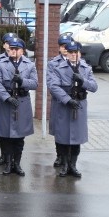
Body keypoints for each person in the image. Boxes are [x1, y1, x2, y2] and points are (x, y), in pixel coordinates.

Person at [0, 35, 38, 176]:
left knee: (19, 137)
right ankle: (8, 163)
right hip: (6, 103)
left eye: (17, 49)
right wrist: (6, 97)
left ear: (22, 51)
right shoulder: (0, 64)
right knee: (5, 135)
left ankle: (17, 163)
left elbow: (35, 83)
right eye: (11, 49)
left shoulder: (29, 65)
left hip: (22, 103)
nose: (14, 52)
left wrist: (22, 81)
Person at [49, 40, 98, 177]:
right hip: (65, 106)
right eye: (70, 52)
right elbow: (54, 87)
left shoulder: (86, 69)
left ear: (79, 53)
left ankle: (73, 165)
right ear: (67, 53)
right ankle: (64, 165)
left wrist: (83, 81)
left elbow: (94, 87)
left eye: (76, 52)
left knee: (77, 139)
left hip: (80, 106)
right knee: (64, 138)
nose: (73, 55)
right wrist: (67, 100)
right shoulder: (60, 68)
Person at [48, 34, 74, 168]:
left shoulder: (77, 61)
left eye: (67, 46)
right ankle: (60, 156)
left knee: (73, 129)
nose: (65, 49)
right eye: (63, 46)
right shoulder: (53, 63)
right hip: (60, 102)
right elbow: (52, 84)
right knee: (59, 130)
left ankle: (70, 158)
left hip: (74, 102)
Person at [0, 33, 15, 166]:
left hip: (18, 99)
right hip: (2, 99)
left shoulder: (21, 58)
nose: (10, 46)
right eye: (8, 43)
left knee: (17, 129)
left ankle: (13, 157)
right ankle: (4, 154)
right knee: (3, 128)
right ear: (4, 45)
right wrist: (2, 94)